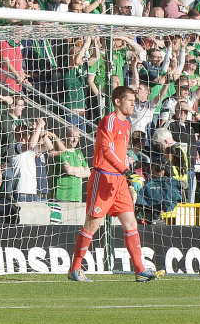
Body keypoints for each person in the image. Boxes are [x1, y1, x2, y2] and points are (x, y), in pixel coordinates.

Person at [67, 85, 163, 283]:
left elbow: (120, 153)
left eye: (135, 101)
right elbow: (107, 151)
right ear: (118, 101)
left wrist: (131, 174)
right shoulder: (108, 121)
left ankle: (140, 270)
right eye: (130, 100)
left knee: (131, 223)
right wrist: (127, 172)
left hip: (119, 181)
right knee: (92, 225)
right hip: (103, 179)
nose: (133, 104)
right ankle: (75, 269)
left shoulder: (127, 124)